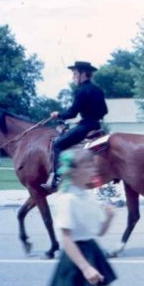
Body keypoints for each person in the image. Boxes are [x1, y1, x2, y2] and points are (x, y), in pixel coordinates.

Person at [34, 148, 116, 286]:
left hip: (92, 252)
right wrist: (86, 267)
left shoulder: (87, 194)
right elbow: (66, 239)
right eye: (87, 166)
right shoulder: (67, 199)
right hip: (78, 259)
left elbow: (98, 231)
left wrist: (108, 218)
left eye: (92, 165)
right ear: (73, 171)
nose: (93, 169)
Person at [42, 61, 108, 193]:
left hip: (87, 125)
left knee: (57, 144)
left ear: (83, 74)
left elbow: (72, 113)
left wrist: (58, 114)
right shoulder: (98, 89)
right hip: (96, 124)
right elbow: (104, 110)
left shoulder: (81, 90)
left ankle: (58, 178)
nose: (73, 77)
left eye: (75, 73)